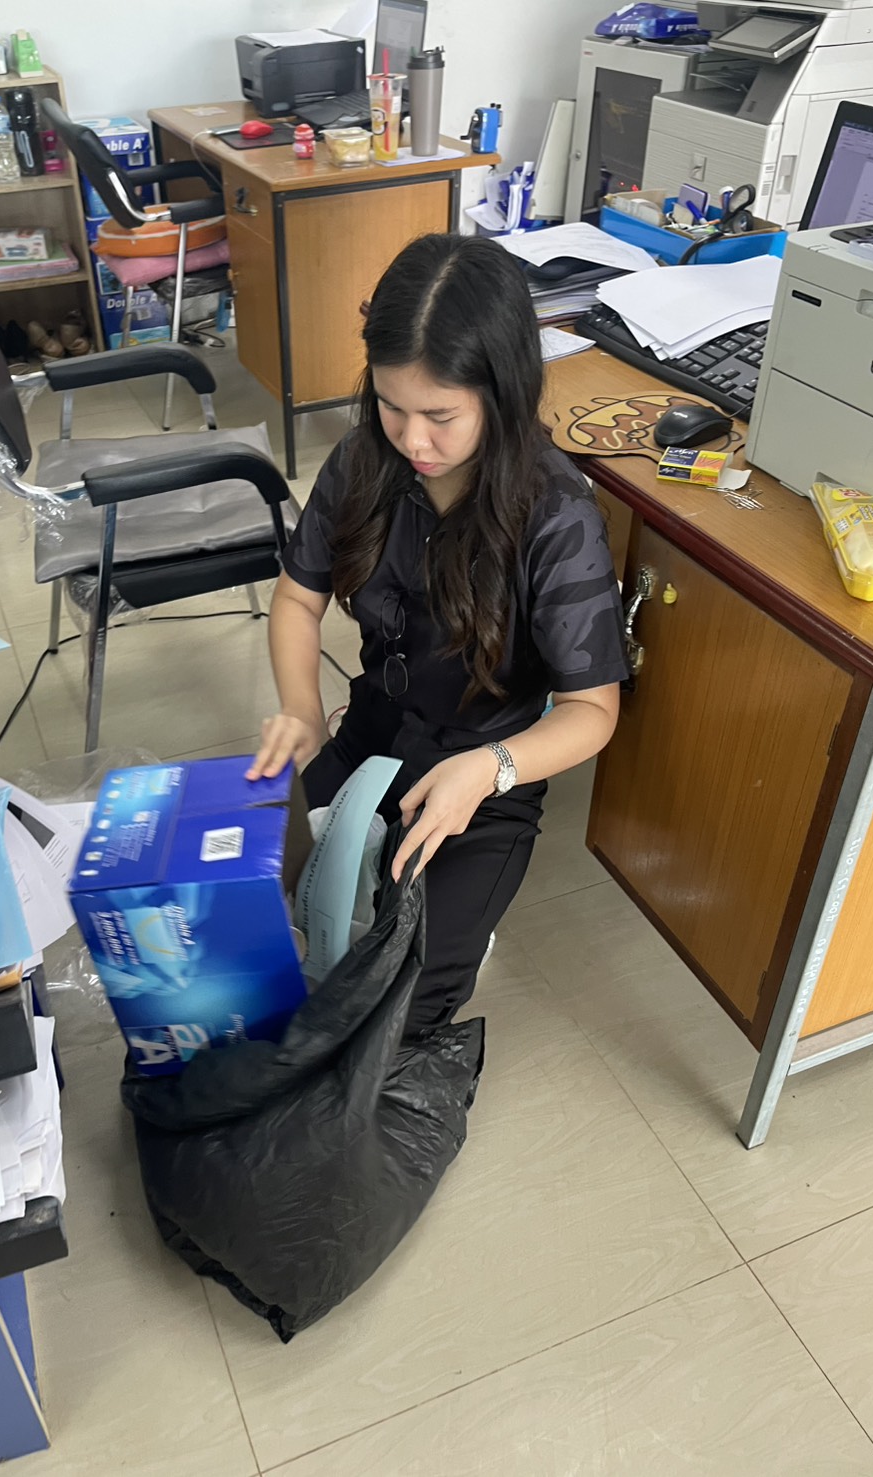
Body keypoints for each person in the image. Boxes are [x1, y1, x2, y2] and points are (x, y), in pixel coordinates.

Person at [247, 233, 629, 1035]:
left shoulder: (555, 513)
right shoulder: (364, 461)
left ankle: (456, 932)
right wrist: (303, 711)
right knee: (248, 940)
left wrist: (491, 768)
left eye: (440, 416)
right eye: (392, 406)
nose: (412, 440)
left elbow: (592, 711)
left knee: (390, 1012)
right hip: (371, 742)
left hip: (484, 775)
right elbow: (296, 600)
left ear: (502, 392)